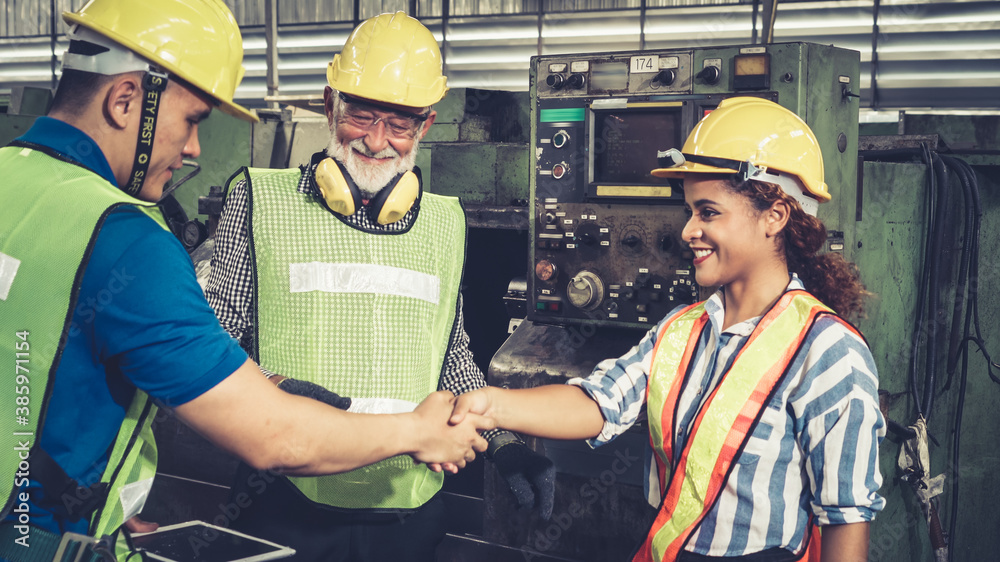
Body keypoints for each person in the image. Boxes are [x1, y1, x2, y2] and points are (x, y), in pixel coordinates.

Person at [0, 2, 493, 560]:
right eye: (192, 121)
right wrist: (414, 431)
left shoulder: (8, 179)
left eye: (398, 123)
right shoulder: (128, 239)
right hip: (43, 541)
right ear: (123, 101)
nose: (194, 150)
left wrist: (103, 514)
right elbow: (275, 436)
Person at [450, 97, 886, 562]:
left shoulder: (827, 351)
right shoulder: (683, 330)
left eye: (709, 212)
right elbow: (599, 403)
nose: (688, 231)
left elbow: (845, 518)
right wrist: (492, 404)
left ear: (774, 217)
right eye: (690, 212)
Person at [204, 11, 554, 562]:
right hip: (284, 494)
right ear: (328, 105)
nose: (376, 141)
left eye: (399, 125)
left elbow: (449, 353)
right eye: (360, 117)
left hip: (406, 505)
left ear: (425, 126)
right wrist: (273, 385)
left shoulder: (445, 222)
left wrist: (502, 441)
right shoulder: (260, 199)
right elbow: (211, 337)